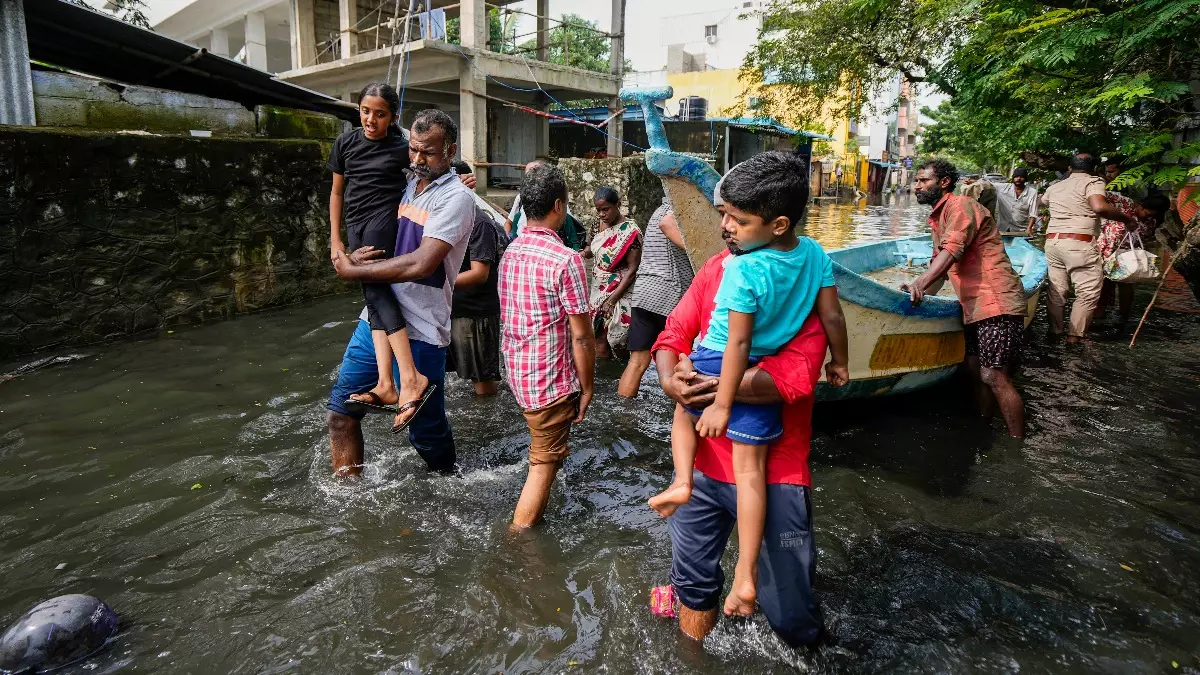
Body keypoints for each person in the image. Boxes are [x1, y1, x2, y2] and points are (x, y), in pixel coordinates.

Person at [647, 152, 850, 617]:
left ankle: (755, 591)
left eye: (736, 219)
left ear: (777, 224)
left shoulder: (769, 275)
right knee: (693, 590)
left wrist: (704, 384)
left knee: (791, 614)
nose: (725, 227)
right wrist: (670, 380)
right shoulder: (719, 268)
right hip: (705, 465)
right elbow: (672, 335)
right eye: (724, 214)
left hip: (777, 471)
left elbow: (793, 379)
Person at [327, 109, 477, 476]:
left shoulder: (456, 198)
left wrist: (354, 271)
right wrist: (352, 253)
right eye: (413, 149)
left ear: (450, 151)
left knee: (425, 434)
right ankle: (348, 498)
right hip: (376, 321)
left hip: (422, 329)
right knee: (341, 414)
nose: (418, 160)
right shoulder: (407, 182)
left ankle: (448, 484)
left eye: (428, 152)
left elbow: (422, 263)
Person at [327, 83, 434, 428]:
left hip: (382, 224)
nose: (371, 120)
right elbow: (337, 192)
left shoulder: (402, 147)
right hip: (355, 226)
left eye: (380, 114)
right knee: (372, 298)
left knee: (376, 291)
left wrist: (461, 175)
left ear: (393, 116)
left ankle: (410, 376)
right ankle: (387, 384)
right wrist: (336, 241)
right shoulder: (345, 143)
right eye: (365, 111)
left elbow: (429, 165)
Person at [498, 163, 596, 529]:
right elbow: (582, 335)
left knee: (544, 451)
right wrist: (588, 387)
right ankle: (518, 537)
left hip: (519, 376)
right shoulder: (566, 260)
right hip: (548, 383)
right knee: (544, 462)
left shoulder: (510, 252)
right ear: (559, 206)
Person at [903, 159, 1029, 438]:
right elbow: (940, 269)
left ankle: (1017, 444)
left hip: (997, 301)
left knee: (993, 375)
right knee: (974, 370)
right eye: (916, 181)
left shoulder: (961, 206)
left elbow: (951, 252)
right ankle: (984, 428)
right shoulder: (937, 218)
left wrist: (919, 282)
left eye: (923, 180)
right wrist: (914, 296)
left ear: (944, 182)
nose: (917, 186)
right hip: (974, 305)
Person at [1041, 151, 1134, 342]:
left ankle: (1055, 333)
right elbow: (1099, 207)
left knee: (1057, 291)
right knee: (1087, 293)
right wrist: (1127, 219)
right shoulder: (1093, 182)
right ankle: (1073, 339)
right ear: (1095, 168)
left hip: (1053, 243)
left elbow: (1042, 202)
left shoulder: (1056, 186)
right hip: (1079, 243)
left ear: (1070, 168)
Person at [617, 195, 695, 398]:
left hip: (644, 293)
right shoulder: (676, 208)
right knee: (680, 360)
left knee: (637, 362)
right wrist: (697, 254)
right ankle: (680, 411)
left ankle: (624, 410)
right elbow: (667, 224)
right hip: (669, 293)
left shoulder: (659, 210)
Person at [447, 203, 503, 396]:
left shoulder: (480, 223)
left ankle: (486, 414)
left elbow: (479, 274)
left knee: (482, 381)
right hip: (450, 307)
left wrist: (434, 281)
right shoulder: (447, 216)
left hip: (476, 313)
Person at [1097, 192, 1170, 324]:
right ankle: (1099, 316)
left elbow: (1144, 240)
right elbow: (1101, 195)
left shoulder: (1151, 222)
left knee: (1126, 283)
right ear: (1141, 206)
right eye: (1147, 214)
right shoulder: (1125, 204)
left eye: (1153, 216)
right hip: (1106, 251)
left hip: (1127, 255)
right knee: (1103, 285)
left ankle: (1122, 317)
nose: (1148, 217)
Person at [586, 187, 642, 357]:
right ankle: (604, 370)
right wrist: (580, 254)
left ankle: (622, 369)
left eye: (606, 209)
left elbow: (633, 270)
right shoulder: (597, 225)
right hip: (599, 289)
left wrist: (611, 301)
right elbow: (592, 248)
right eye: (598, 210)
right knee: (599, 338)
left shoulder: (630, 232)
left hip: (621, 291)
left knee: (619, 340)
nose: (602, 214)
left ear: (617, 205)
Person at [506, 160, 587, 250]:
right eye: (527, 175)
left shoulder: (510, 252)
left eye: (534, 172)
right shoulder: (519, 208)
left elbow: (573, 238)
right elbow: (509, 223)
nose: (530, 179)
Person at [994, 168, 1039, 235]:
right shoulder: (1002, 188)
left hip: (1021, 230)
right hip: (1003, 229)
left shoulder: (1032, 192)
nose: (1018, 178)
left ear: (1025, 179)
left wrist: (1029, 228)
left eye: (1021, 177)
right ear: (1013, 178)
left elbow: (1033, 213)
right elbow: (986, 184)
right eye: (1016, 176)